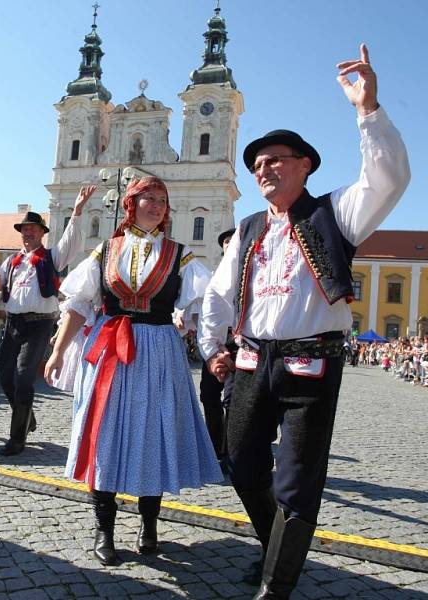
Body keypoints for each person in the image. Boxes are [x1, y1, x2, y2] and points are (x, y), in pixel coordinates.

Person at [198, 45, 409, 599]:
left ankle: (277, 584)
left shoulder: (334, 212)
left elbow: (389, 178)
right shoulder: (246, 229)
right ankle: (274, 549)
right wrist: (211, 347)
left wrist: (369, 110)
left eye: (276, 161)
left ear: (304, 165)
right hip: (249, 360)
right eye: (257, 165)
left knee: (296, 479)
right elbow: (220, 294)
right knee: (242, 465)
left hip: (309, 361)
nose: (264, 170)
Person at [44, 175, 222, 566]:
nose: (157, 206)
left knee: (152, 433)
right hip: (108, 349)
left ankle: (149, 524)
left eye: (162, 200)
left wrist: (215, 348)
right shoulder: (105, 251)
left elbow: (208, 305)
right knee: (104, 433)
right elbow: (77, 306)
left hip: (158, 351)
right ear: (130, 204)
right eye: (149, 199)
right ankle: (104, 528)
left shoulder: (181, 255)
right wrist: (57, 352)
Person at [0, 186, 96, 456]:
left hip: (39, 324)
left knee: (24, 378)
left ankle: (17, 438)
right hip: (14, 323)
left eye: (33, 228)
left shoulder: (50, 257)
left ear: (42, 233)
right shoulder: (11, 261)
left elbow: (70, 242)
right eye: (25, 229)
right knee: (5, 377)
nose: (28, 232)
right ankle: (27, 417)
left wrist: (78, 212)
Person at [197, 228, 236, 467]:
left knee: (233, 400)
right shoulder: (213, 275)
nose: (230, 244)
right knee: (209, 396)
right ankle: (214, 447)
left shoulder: (249, 272)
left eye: (234, 240)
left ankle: (231, 453)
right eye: (226, 241)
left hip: (240, 345)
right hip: (214, 344)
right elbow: (200, 307)